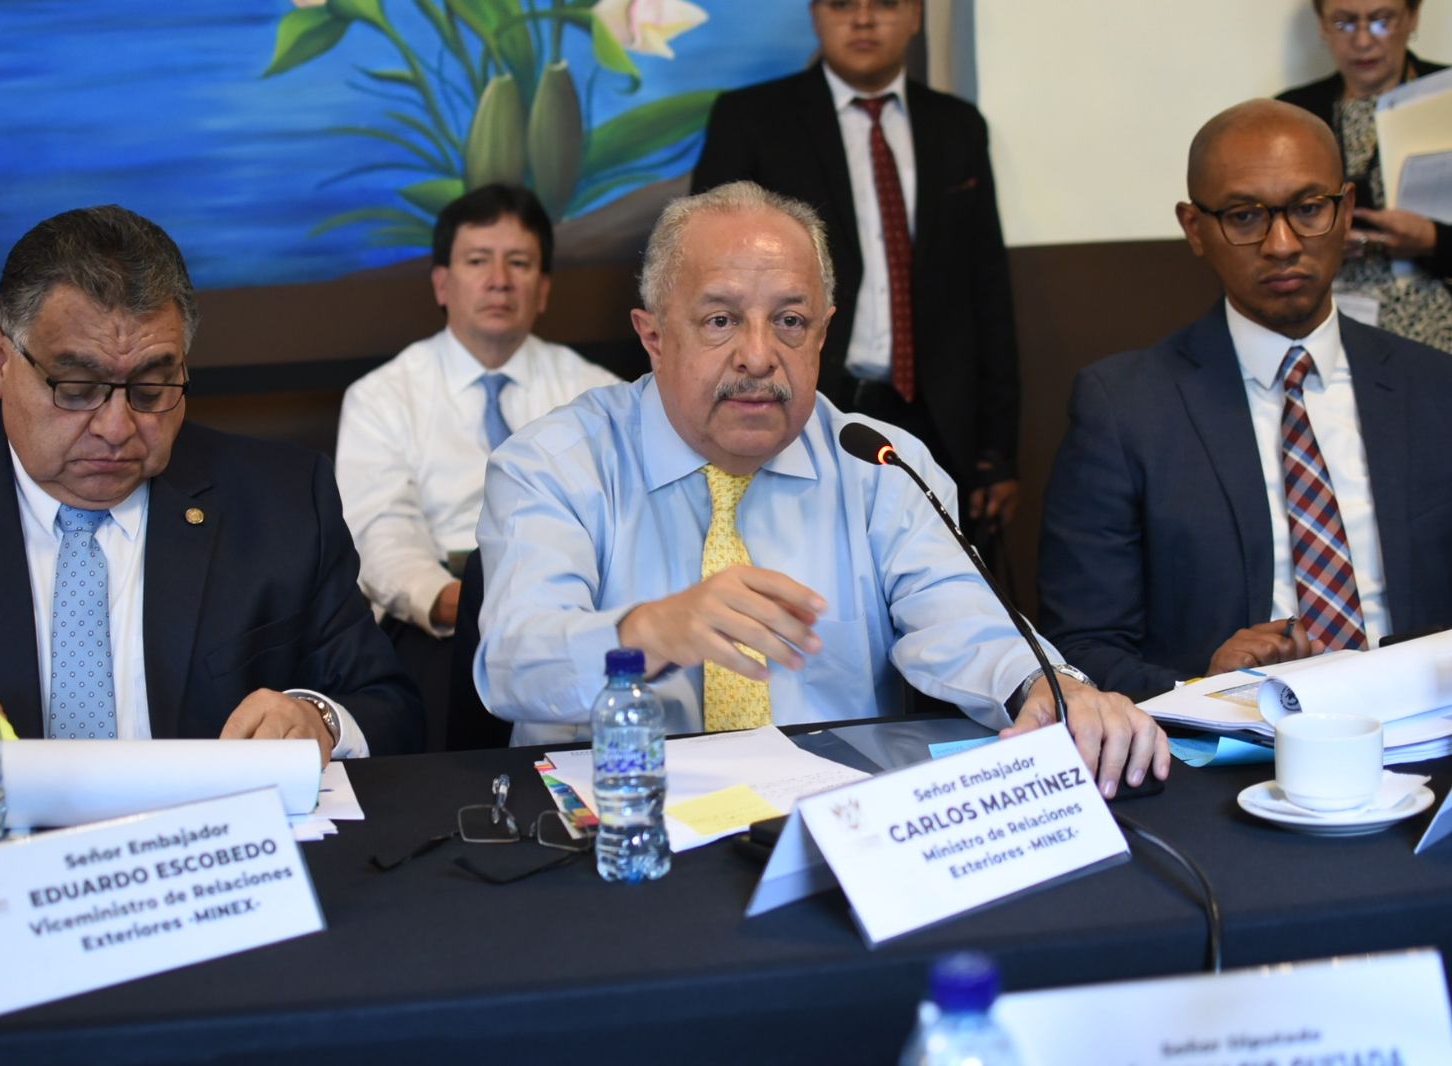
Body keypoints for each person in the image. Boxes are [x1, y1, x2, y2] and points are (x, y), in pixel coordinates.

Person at [474, 181, 1167, 799]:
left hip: (833, 830)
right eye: (720, 321)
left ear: (823, 335)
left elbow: (963, 619)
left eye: (789, 322)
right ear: (653, 336)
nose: (757, 354)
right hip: (626, 828)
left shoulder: (878, 464)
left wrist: (1044, 685)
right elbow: (511, 661)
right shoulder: (554, 463)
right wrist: (649, 631)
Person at [0, 205, 424, 789]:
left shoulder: (280, 501)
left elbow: (390, 707)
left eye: (152, 388)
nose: (117, 427)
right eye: (77, 389)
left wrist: (318, 718)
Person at [1038, 100, 1452, 699]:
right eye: (1244, 216)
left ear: (1347, 211)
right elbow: (1080, 647)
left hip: (1424, 737)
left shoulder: (1434, 387)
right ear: (1194, 228)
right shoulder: (1124, 408)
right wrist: (1205, 687)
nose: (1282, 244)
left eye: (1309, 209)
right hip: (1228, 757)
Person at [691, 0, 1022, 538]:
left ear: (915, 15)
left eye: (885, 4)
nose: (864, 19)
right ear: (814, 13)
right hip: (803, 405)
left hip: (938, 416)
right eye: (843, 4)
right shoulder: (753, 119)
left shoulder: (957, 127)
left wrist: (997, 449)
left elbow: (988, 290)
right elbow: (703, 274)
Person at [335, 185, 618, 745]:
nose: (499, 280)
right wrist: (454, 602)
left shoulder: (597, 393)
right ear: (443, 283)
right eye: (477, 261)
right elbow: (379, 532)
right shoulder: (383, 396)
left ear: (543, 288)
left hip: (571, 602)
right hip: (439, 613)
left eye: (519, 263)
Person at [1278, 0, 1451, 352]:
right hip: (1331, 327)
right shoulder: (1291, 113)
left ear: (1412, 17)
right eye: (1343, 23)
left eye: (1381, 21)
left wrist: (1434, 240)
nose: (1361, 41)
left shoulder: (1445, 97)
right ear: (1322, 26)